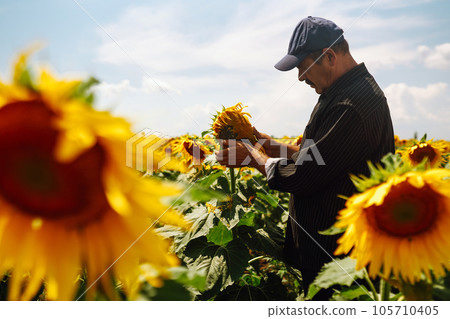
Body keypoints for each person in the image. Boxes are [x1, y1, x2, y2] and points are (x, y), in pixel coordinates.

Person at [216, 16, 395, 300]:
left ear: (329, 56)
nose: (300, 78)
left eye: (302, 67)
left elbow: (304, 174)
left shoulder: (351, 105)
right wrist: (259, 140)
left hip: (341, 257)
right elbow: (319, 155)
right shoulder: (341, 93)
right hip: (328, 250)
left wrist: (252, 158)